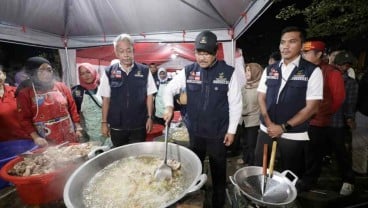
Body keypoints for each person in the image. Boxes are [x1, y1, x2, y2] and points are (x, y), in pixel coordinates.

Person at [163, 30, 242, 208]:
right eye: (199, 53)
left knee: (218, 169)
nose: (202, 58)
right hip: (195, 132)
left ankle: (218, 202)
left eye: (207, 53)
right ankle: (193, 198)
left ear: (215, 52)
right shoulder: (189, 71)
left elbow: (236, 104)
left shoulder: (228, 73)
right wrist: (169, 106)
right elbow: (169, 89)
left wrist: (232, 131)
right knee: (194, 167)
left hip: (217, 133)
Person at [254, 26, 323, 184]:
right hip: (266, 130)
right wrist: (270, 123)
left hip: (293, 134)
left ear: (301, 45)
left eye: (292, 42)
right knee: (260, 169)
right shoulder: (270, 69)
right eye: (282, 42)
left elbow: (312, 107)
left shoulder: (312, 71)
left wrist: (283, 127)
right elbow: (261, 96)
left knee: (288, 175)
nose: (285, 46)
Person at [299, 40, 346, 192]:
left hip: (320, 121)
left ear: (319, 54)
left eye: (307, 52)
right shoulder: (303, 70)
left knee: (315, 153)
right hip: (304, 120)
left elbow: (339, 97)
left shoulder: (331, 72)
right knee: (306, 152)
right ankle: (304, 177)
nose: (303, 55)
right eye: (303, 52)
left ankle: (310, 181)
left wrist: (323, 113)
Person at [99, 33, 157, 147]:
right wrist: (104, 122)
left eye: (129, 50)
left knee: (138, 155)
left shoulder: (144, 71)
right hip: (117, 125)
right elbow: (106, 99)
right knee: (120, 155)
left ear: (133, 51)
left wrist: (150, 118)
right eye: (121, 51)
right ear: (116, 53)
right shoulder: (109, 72)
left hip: (139, 124)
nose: (126, 55)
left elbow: (150, 96)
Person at [16, 57, 82, 146]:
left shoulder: (61, 87)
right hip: (45, 137)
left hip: (68, 132)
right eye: (41, 70)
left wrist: (78, 127)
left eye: (49, 70)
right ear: (33, 73)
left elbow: (72, 107)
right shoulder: (25, 93)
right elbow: (24, 119)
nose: (46, 73)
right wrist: (36, 137)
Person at [329, 50, 358, 195]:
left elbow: (350, 103)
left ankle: (348, 180)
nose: (344, 67)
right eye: (341, 64)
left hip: (337, 123)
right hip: (320, 121)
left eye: (346, 65)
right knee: (314, 151)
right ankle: (310, 180)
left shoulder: (350, 83)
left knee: (341, 153)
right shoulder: (324, 76)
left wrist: (349, 118)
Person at [72, 63, 112, 147]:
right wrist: (79, 128)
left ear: (93, 72)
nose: (86, 76)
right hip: (92, 132)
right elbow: (74, 112)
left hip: (109, 128)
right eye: (82, 74)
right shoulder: (77, 92)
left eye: (88, 72)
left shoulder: (104, 86)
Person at [237, 63, 262, 165]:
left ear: (256, 72)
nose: (246, 73)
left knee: (252, 144)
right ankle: (245, 158)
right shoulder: (245, 86)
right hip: (243, 120)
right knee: (245, 142)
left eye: (249, 70)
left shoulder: (261, 88)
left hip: (254, 120)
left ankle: (252, 164)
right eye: (246, 70)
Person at [0, 65, 29, 141]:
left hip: (30, 139)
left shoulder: (17, 91)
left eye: (0, 74)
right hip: (5, 145)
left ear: (4, 75)